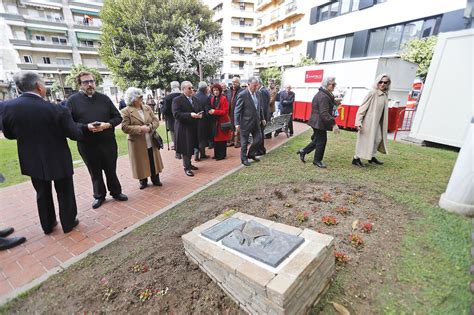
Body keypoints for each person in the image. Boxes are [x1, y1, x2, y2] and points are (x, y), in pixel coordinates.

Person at [2, 71, 82, 234]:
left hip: (31, 158)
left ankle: (48, 225)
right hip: (58, 157)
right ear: (39, 86)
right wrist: (84, 127)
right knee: (65, 191)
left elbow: (9, 134)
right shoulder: (56, 109)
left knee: (42, 192)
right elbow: (75, 134)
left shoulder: (6, 107)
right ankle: (68, 222)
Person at [67, 71, 128, 209]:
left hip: (107, 142)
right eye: (85, 82)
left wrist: (107, 125)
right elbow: (69, 122)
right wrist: (86, 127)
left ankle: (116, 192)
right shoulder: (72, 101)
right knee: (94, 171)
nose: (89, 84)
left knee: (111, 168)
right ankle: (99, 195)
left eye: (91, 81)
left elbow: (117, 117)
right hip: (87, 144)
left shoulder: (104, 98)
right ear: (79, 84)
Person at [121, 87, 164, 189]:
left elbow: (156, 121)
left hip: (151, 139)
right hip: (137, 141)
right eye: (139, 96)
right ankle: (143, 181)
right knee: (141, 161)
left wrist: (150, 127)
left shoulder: (147, 108)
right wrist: (140, 128)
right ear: (133, 99)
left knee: (153, 158)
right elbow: (124, 127)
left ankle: (155, 179)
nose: (142, 97)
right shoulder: (126, 111)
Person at [297, 76, 340, 168]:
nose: (334, 86)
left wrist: (335, 103)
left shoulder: (325, 93)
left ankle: (303, 151)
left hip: (317, 122)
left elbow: (327, 106)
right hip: (319, 122)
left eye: (334, 84)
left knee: (317, 140)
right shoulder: (323, 96)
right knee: (322, 141)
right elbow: (324, 113)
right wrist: (334, 124)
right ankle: (317, 160)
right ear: (326, 84)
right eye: (332, 84)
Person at [352, 74, 391, 167]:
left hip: (377, 123)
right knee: (364, 140)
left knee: (378, 139)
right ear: (377, 82)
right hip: (368, 122)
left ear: (388, 83)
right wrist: (358, 122)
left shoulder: (385, 94)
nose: (382, 84)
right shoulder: (372, 93)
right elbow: (362, 108)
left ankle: (371, 157)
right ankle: (355, 159)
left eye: (385, 82)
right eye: (380, 82)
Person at [172, 81, 203, 177]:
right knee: (186, 148)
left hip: (194, 127)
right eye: (189, 88)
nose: (192, 89)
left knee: (192, 146)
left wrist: (200, 114)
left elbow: (200, 109)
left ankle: (189, 163)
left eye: (192, 87)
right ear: (183, 89)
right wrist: (190, 114)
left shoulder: (195, 99)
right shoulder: (177, 100)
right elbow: (176, 114)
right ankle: (187, 167)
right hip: (183, 128)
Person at [234, 77, 266, 167]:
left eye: (257, 85)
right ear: (249, 84)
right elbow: (237, 110)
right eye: (254, 85)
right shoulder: (243, 94)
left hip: (256, 122)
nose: (256, 87)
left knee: (259, 139)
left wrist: (262, 118)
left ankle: (251, 154)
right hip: (245, 123)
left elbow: (260, 108)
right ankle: (244, 159)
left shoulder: (259, 93)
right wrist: (237, 123)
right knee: (244, 143)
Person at [208, 83, 232, 160]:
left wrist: (214, 111)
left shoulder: (223, 98)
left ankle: (221, 155)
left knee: (222, 140)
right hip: (215, 122)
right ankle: (216, 154)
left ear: (220, 90)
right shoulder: (212, 99)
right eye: (214, 90)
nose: (215, 92)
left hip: (222, 122)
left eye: (217, 90)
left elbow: (225, 111)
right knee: (216, 139)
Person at [163, 81, 182, 159]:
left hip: (172, 120)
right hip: (181, 119)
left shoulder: (167, 98)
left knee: (174, 138)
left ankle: (178, 154)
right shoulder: (182, 95)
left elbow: (165, 110)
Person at [194, 81, 211, 161]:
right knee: (202, 139)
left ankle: (196, 153)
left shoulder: (194, 97)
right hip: (204, 121)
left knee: (197, 138)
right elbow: (207, 111)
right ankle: (202, 154)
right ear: (205, 89)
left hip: (195, 120)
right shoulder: (206, 98)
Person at [227, 76, 242, 148]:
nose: (234, 84)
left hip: (238, 112)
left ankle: (237, 142)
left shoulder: (241, 91)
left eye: (235, 82)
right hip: (230, 112)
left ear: (238, 83)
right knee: (231, 127)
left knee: (237, 127)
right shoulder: (229, 91)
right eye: (233, 82)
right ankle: (231, 141)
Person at [257, 79, 270, 155]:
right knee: (260, 133)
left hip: (263, 117)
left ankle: (261, 150)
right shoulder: (264, 90)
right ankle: (261, 149)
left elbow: (263, 106)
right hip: (264, 116)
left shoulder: (262, 91)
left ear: (259, 84)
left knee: (260, 134)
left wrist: (262, 118)